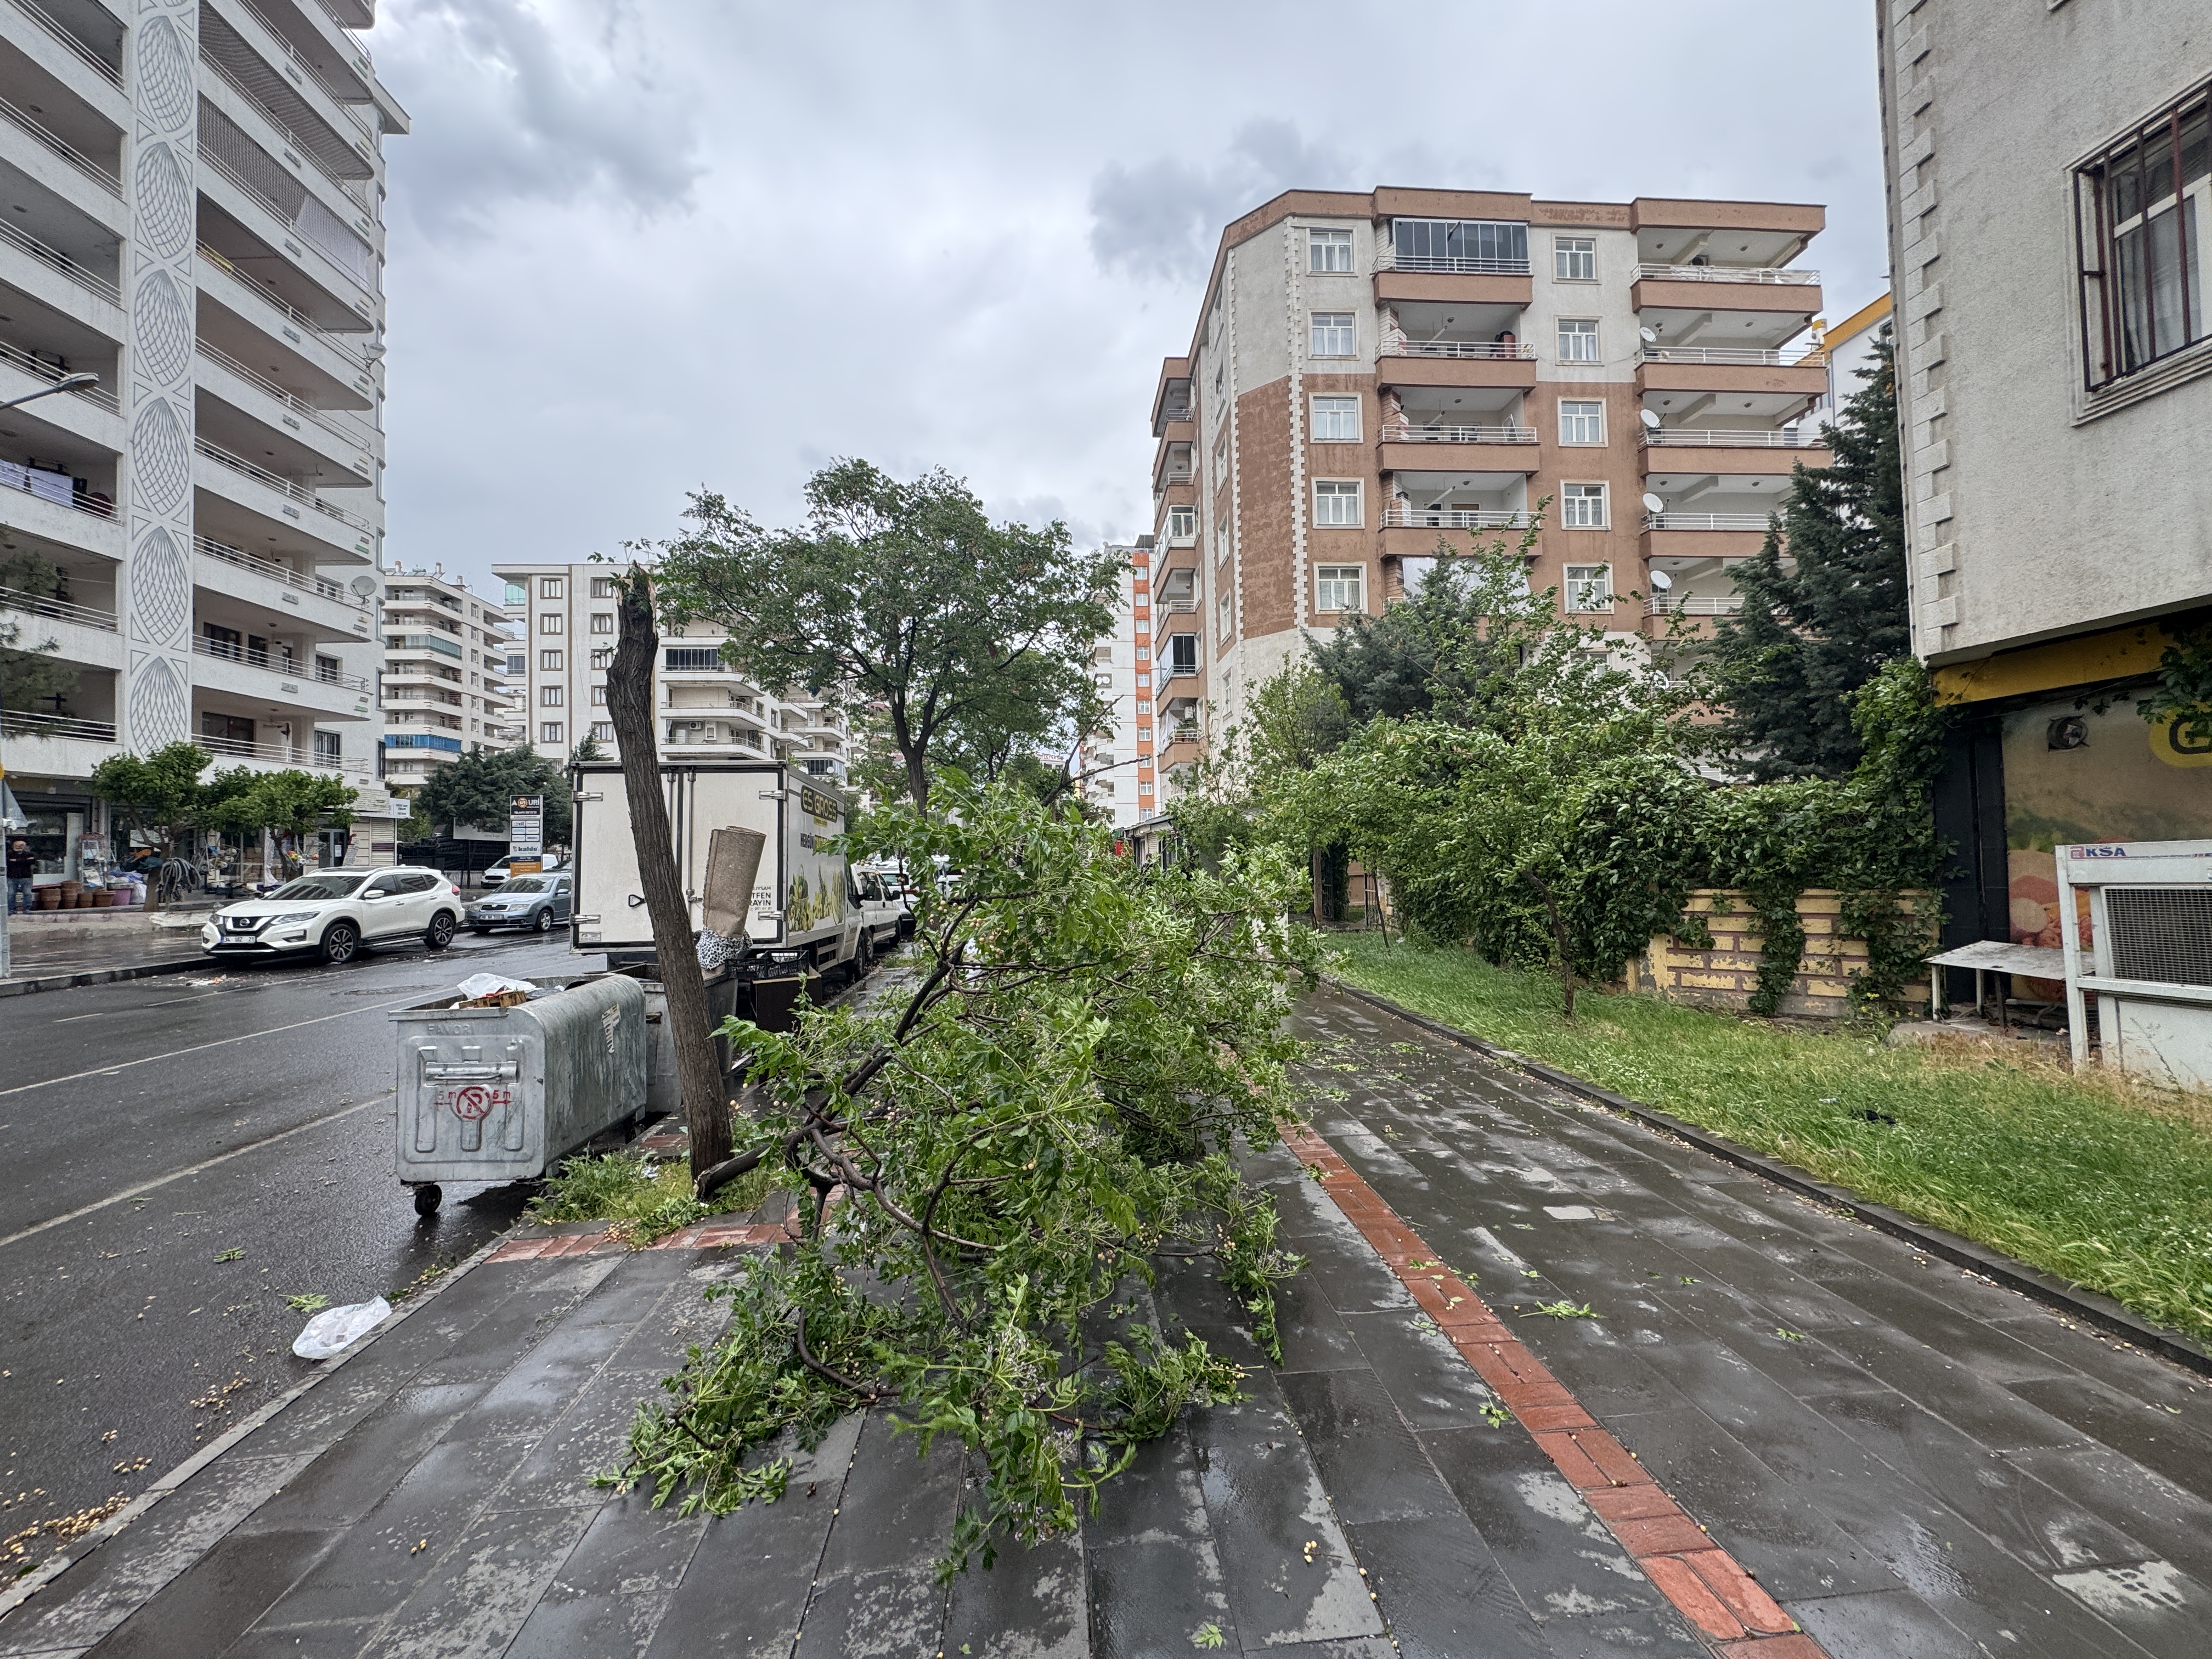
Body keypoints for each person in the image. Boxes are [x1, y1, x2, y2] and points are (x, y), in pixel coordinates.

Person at [7, 839, 33, 915]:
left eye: (21, 846)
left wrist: (16, 861)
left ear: (24, 847)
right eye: (17, 846)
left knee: (27, 893)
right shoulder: (9, 854)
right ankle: (11, 909)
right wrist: (23, 861)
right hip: (12, 877)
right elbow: (9, 863)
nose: (19, 847)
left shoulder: (29, 853)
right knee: (11, 894)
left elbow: (32, 862)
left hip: (26, 877)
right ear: (13, 847)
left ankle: (27, 909)